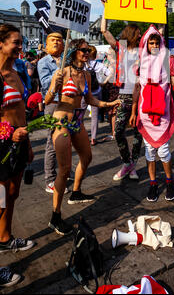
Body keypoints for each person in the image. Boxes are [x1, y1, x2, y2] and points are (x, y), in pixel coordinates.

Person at [45, 38, 120, 236]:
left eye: (88, 50)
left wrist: (109, 104)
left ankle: (76, 193)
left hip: (78, 122)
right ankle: (55, 216)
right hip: (61, 122)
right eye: (84, 50)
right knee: (64, 170)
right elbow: (47, 99)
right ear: (74, 52)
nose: (87, 53)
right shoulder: (62, 72)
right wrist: (55, 86)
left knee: (87, 157)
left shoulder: (87, 74)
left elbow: (90, 99)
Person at [129, 26, 174, 202]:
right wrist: (133, 111)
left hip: (163, 112)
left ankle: (170, 182)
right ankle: (153, 184)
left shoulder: (169, 60)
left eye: (157, 42)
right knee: (149, 153)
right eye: (151, 43)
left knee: (163, 151)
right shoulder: (140, 62)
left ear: (161, 43)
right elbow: (137, 88)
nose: (154, 46)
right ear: (146, 45)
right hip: (145, 113)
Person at [0, 24, 35, 255]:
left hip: (20, 141)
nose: (20, 46)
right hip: (2, 144)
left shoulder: (17, 70)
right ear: (0, 44)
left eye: (21, 42)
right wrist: (7, 132)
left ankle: (5, 238)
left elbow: (21, 109)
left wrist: (27, 142)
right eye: (16, 42)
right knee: (0, 199)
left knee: (13, 193)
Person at [100, 0, 143, 181]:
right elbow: (104, 31)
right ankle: (127, 163)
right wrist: (106, 10)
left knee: (138, 132)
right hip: (123, 94)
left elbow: (159, 35)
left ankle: (132, 165)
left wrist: (160, 14)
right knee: (118, 132)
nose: (141, 35)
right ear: (132, 33)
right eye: (139, 33)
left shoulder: (144, 50)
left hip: (140, 95)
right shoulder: (121, 48)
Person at [37, 32, 65, 194]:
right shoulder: (43, 62)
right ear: (46, 45)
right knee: (52, 142)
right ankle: (49, 178)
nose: (56, 42)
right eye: (52, 40)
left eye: (59, 40)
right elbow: (46, 83)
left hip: (67, 104)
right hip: (52, 105)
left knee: (65, 141)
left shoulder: (65, 61)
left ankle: (62, 171)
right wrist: (58, 74)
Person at [82, 45, 110, 146]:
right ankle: (93, 138)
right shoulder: (99, 65)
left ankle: (80, 134)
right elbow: (110, 73)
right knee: (94, 116)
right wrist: (103, 82)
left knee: (80, 114)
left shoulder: (81, 65)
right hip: (96, 92)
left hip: (84, 92)